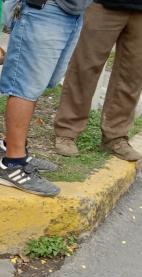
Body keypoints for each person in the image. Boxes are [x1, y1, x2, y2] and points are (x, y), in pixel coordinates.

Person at [0, 0, 92, 197]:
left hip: (72, 11)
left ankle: (12, 147)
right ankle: (12, 163)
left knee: (36, 84)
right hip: (44, 9)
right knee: (25, 85)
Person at [54, 0, 142, 161]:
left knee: (132, 75)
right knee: (84, 69)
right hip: (101, 5)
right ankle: (67, 131)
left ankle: (115, 137)